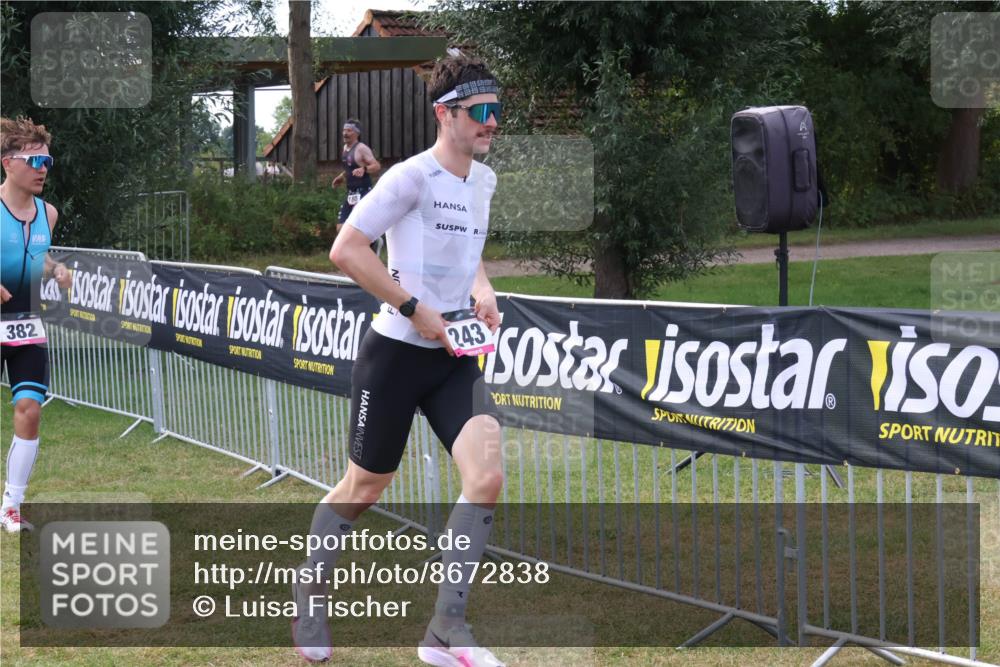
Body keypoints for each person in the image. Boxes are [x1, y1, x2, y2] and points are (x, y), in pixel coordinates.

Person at [292, 56, 505, 666]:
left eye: (496, 111)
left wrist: (481, 289)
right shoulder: (409, 178)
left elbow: (468, 254)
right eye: (480, 113)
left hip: (453, 358)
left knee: (486, 475)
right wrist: (415, 309)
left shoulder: (483, 182)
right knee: (365, 485)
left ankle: (445, 631)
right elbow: (347, 250)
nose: (492, 123)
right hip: (394, 354)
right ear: (445, 114)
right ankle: (311, 592)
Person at [0, 116, 71, 533]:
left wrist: (56, 268)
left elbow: (35, 257)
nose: (43, 169)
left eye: (47, 161)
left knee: (29, 412)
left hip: (27, 325)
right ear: (8, 164)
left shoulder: (49, 213)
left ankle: (11, 505)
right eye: (34, 160)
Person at [331, 118, 380, 237]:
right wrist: (342, 176)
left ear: (356, 133)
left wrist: (364, 169)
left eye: (349, 131)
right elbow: (350, 167)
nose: (345, 133)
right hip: (351, 193)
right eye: (344, 130)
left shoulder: (361, 148)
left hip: (363, 192)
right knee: (341, 227)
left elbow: (376, 166)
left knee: (357, 226)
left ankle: (371, 243)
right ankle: (373, 242)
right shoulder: (345, 148)